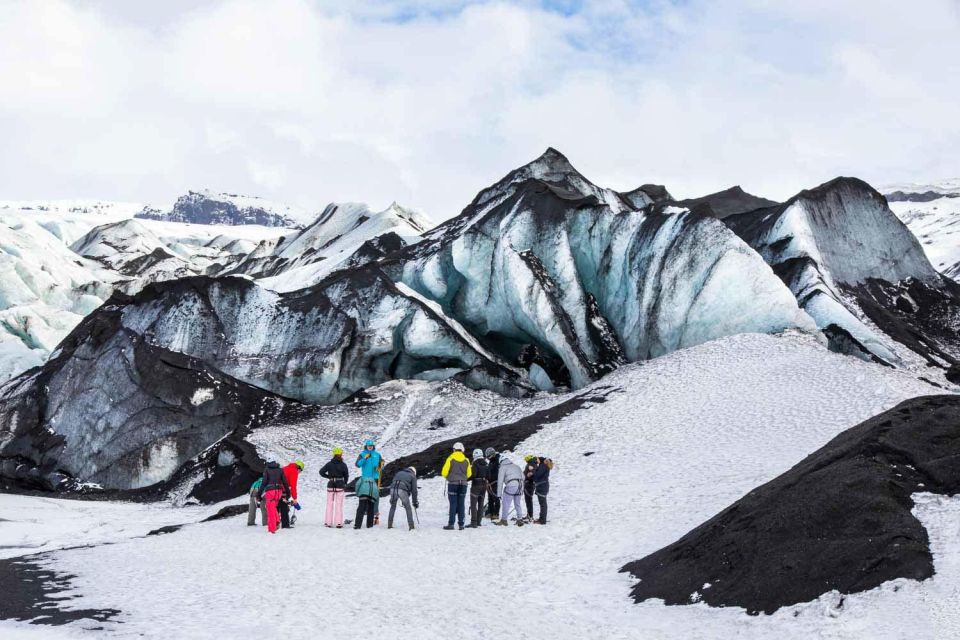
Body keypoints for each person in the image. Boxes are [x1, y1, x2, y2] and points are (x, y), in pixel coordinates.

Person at [441, 442, 472, 530]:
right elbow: (469, 474)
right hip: (463, 485)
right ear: (462, 450)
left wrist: (449, 477)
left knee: (453, 504)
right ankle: (461, 524)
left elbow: (444, 472)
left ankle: (451, 524)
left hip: (453, 484)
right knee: (461, 504)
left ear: (454, 449)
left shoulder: (450, 458)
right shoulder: (466, 460)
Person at [354, 440, 383, 530]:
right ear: (366, 446)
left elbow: (381, 465)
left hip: (375, 478)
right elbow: (357, 465)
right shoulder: (362, 454)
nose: (370, 447)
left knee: (375, 499)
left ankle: (375, 518)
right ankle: (361, 519)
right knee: (364, 499)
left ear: (373, 446)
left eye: (371, 446)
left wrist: (381, 466)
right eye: (368, 446)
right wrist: (364, 459)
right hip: (366, 479)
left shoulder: (377, 454)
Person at [257, 460, 291, 534]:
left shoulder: (267, 470)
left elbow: (264, 483)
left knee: (270, 510)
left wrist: (259, 494)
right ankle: (277, 520)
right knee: (273, 508)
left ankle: (272, 529)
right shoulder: (280, 470)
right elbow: (285, 482)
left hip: (270, 492)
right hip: (278, 492)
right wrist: (288, 493)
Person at [319, 448, 349, 528]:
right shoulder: (343, 464)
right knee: (339, 505)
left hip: (330, 485)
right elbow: (346, 475)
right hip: (340, 485)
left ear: (333, 454)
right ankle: (338, 523)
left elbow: (321, 472)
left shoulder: (329, 464)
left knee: (329, 504)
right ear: (341, 454)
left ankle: (328, 523)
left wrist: (328, 477)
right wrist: (345, 483)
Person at [496, 456, 524, 526]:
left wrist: (498, 494)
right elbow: (523, 477)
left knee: (506, 503)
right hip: (520, 485)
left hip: (511, 484)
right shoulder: (516, 466)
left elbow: (500, 482)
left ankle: (504, 520)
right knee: (517, 503)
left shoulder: (502, 467)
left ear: (501, 462)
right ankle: (520, 519)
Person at [388, 466, 419, 530]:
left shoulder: (399, 472)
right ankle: (411, 527)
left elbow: (393, 481)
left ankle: (389, 525)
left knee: (393, 506)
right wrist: (415, 502)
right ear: (414, 472)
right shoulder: (413, 476)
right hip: (402, 490)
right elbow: (414, 491)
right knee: (408, 508)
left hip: (392, 489)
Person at [279, 460, 304, 529]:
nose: (299, 473)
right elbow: (293, 486)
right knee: (284, 507)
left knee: (278, 506)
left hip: (275, 490)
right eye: (300, 471)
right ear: (299, 468)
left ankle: (275, 522)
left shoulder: (284, 468)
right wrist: (295, 498)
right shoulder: (294, 471)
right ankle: (285, 524)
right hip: (283, 490)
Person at [468, 449, 489, 528]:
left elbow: (473, 475)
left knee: (473, 504)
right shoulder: (486, 463)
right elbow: (488, 476)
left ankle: (473, 522)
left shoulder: (475, 463)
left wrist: (466, 479)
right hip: (484, 485)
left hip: (476, 484)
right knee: (481, 503)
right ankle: (479, 522)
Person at [532, 456, 553, 525]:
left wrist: (533, 471)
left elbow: (537, 475)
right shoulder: (544, 466)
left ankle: (542, 520)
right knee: (543, 504)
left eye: (537, 459)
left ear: (540, 460)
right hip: (543, 486)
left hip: (542, 487)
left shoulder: (543, 466)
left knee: (543, 504)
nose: (536, 460)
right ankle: (542, 518)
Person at [485, 447, 501, 519]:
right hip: (490, 483)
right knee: (490, 498)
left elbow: (496, 473)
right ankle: (490, 512)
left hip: (495, 482)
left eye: (488, 456)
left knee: (496, 498)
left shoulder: (497, 461)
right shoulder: (491, 462)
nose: (487, 458)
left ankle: (496, 514)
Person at [523, 455, 539, 523]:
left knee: (528, 500)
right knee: (528, 500)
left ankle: (530, 515)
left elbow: (532, 474)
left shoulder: (532, 464)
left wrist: (528, 476)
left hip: (529, 484)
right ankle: (529, 515)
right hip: (529, 484)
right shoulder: (533, 464)